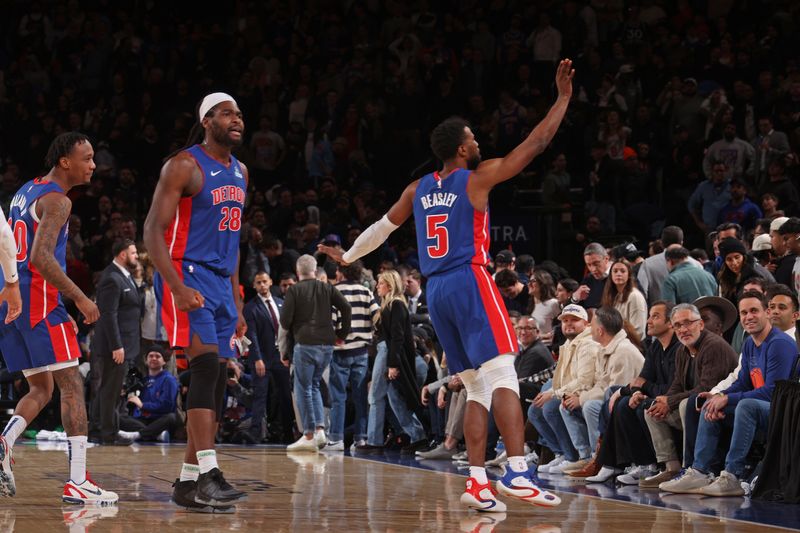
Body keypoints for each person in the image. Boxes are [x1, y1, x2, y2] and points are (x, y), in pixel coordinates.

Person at [319, 59, 575, 512]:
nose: (478, 142)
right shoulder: (475, 179)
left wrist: (351, 256)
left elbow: (382, 228)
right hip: (470, 279)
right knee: (503, 377)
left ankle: (477, 482)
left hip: (437, 292)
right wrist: (562, 98)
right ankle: (517, 471)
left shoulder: (418, 188)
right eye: (473, 138)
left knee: (476, 387)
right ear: (460, 149)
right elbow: (535, 144)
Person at [143, 92, 248, 512]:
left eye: (239, 114)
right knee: (204, 368)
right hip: (185, 272)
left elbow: (235, 241)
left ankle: (187, 484)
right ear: (207, 121)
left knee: (220, 379)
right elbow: (153, 231)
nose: (236, 119)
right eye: (227, 113)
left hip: (222, 283)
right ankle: (209, 472)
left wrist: (238, 303)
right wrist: (176, 286)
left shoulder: (241, 171)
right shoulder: (183, 165)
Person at [0, 132, 117, 504]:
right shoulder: (58, 201)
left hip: (10, 303)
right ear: (65, 161)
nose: (93, 165)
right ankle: (78, 481)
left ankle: (5, 440)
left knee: (42, 388)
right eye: (87, 157)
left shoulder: (26, 190)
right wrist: (81, 298)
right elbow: (41, 258)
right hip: (40, 304)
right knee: (71, 385)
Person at [280, 254, 351, 452]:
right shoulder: (327, 287)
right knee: (314, 386)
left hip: (305, 344)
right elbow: (346, 307)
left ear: (297, 271)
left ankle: (309, 434)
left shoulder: (294, 290)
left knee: (303, 388)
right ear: (314, 269)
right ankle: (319, 429)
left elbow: (284, 322)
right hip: (327, 344)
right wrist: (341, 334)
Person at [90, 238, 142, 445]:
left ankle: (97, 429)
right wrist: (116, 345)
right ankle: (108, 434)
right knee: (110, 389)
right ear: (122, 254)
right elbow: (108, 315)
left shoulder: (124, 276)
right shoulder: (111, 278)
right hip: (116, 346)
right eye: (133, 252)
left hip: (126, 344)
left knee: (108, 388)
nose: (136, 256)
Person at [243, 271, 292, 444]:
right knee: (260, 396)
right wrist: (257, 358)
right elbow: (252, 334)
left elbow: (287, 331)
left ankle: (288, 433)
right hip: (263, 357)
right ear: (254, 286)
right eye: (258, 283)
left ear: (271, 282)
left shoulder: (281, 303)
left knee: (286, 396)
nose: (262, 285)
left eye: (264, 281)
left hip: (281, 357)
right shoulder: (250, 307)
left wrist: (288, 354)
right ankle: (256, 433)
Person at [118, 345, 181, 442]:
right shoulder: (143, 381)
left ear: (164, 361)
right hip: (143, 420)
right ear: (146, 360)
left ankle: (139, 434)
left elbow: (166, 406)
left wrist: (142, 405)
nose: (154, 358)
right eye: (151, 356)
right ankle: (156, 435)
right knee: (120, 418)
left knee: (171, 418)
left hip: (161, 420)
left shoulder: (169, 380)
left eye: (157, 356)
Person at [600, 259, 647, 341]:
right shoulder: (614, 296)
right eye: (615, 271)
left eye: (622, 271)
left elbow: (638, 331)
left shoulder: (635, 296)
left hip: (632, 345)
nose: (618, 274)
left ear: (629, 275)